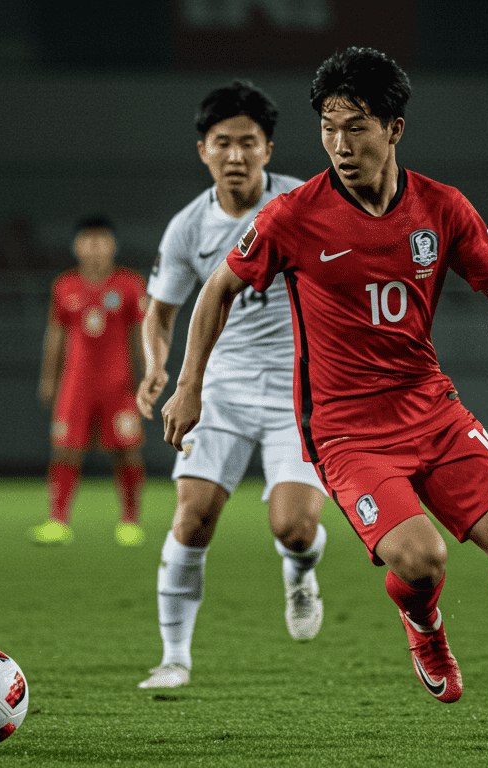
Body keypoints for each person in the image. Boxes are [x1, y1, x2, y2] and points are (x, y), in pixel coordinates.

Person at [161, 47, 488, 737]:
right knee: (422, 562)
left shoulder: (442, 207)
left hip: (432, 410)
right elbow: (218, 289)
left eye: (356, 127)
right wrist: (189, 386)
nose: (340, 145)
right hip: (346, 431)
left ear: (394, 129)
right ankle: (422, 621)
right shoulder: (292, 216)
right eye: (328, 128)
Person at [135, 81, 329, 689]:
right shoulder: (188, 227)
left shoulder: (304, 203)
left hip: (301, 388)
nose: (236, 155)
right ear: (204, 150)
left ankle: (300, 571)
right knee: (192, 519)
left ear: (268, 148)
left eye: (249, 142)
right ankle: (174, 658)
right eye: (223, 143)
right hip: (220, 386)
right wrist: (158, 368)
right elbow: (159, 311)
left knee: (294, 529)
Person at [30, 216, 147, 547]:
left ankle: (130, 522)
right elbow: (55, 335)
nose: (95, 247)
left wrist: (147, 377)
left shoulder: (130, 284)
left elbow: (141, 335)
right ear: (76, 246)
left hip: (118, 385)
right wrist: (48, 378)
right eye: (88, 241)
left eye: (101, 240)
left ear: (113, 245)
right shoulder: (65, 286)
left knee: (127, 451)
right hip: (76, 384)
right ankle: (58, 521)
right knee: (65, 450)